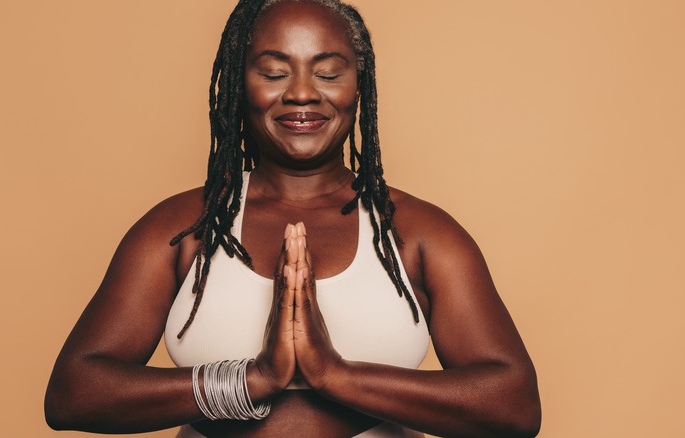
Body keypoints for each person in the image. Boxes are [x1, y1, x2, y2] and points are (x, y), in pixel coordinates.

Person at [44, 0, 541, 436]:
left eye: (327, 72)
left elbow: (513, 406)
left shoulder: (417, 234)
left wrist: (333, 374)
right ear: (239, 83)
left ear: (359, 84)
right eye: (274, 72)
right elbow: (74, 393)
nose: (302, 94)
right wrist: (255, 378)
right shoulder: (184, 228)